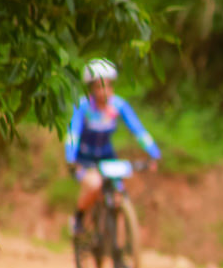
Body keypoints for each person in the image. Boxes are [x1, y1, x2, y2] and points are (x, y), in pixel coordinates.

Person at [64, 58, 161, 236]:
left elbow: (138, 130)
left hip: (108, 157)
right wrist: (70, 158)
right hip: (84, 159)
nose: (104, 91)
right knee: (94, 185)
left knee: (119, 196)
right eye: (99, 86)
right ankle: (78, 218)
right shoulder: (83, 107)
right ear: (91, 88)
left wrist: (153, 153)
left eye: (107, 86)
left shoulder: (118, 105)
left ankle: (121, 248)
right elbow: (73, 133)